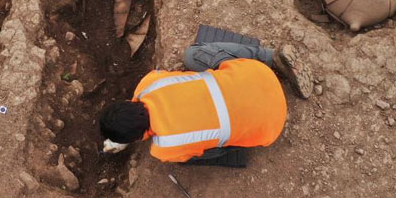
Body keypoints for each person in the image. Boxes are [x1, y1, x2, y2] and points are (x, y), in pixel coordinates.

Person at [99, 40, 310, 164]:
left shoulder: (164, 148)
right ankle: (270, 56)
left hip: (270, 125)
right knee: (193, 55)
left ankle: (235, 140)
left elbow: (160, 137)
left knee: (195, 154)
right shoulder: (149, 85)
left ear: (137, 137)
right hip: (259, 75)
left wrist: (126, 138)